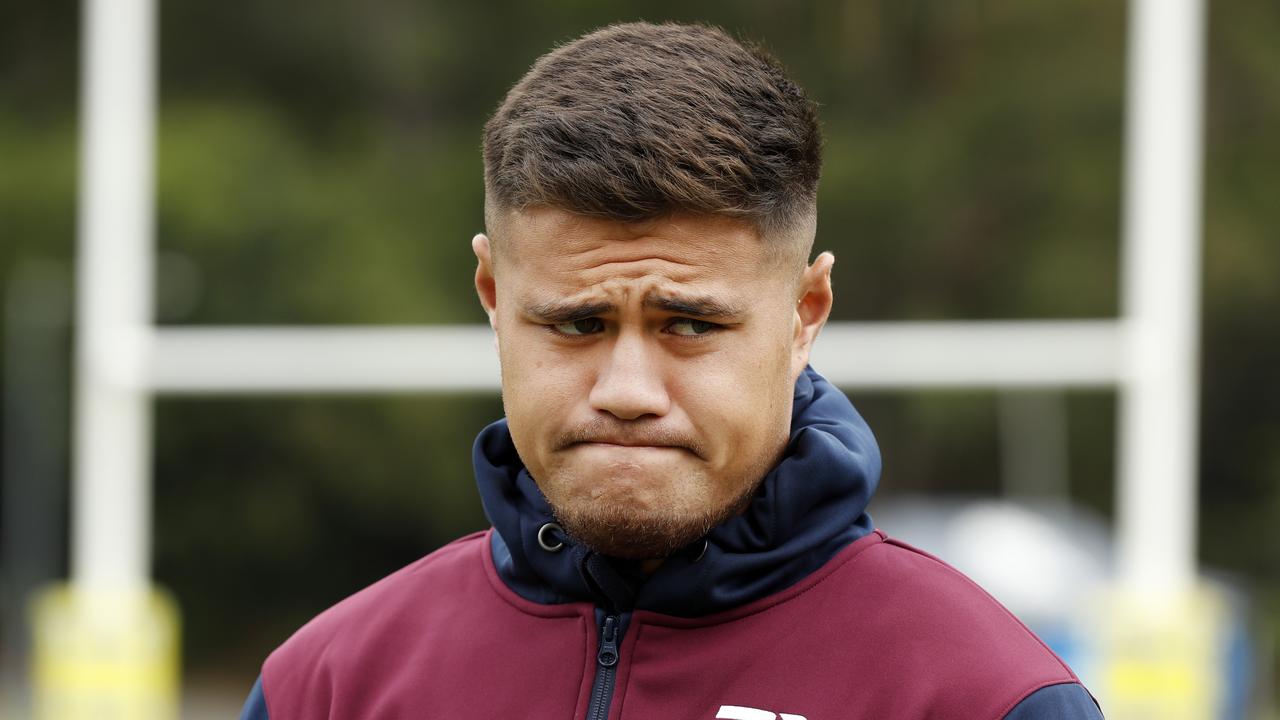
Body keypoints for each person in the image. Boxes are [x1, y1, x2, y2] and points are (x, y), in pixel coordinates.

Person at [240, 21, 1102, 720]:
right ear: (494, 295)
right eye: (578, 323)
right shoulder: (328, 688)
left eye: (690, 325)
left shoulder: (982, 698)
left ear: (806, 314)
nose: (625, 391)